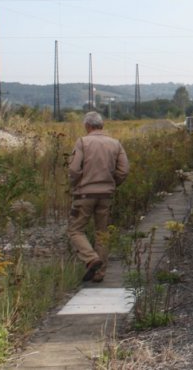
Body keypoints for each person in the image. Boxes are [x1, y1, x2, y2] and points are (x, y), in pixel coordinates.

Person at [67, 111, 130, 283]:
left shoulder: (82, 142)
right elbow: (124, 170)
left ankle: (90, 258)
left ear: (87, 126)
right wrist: (112, 184)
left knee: (75, 229)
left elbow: (73, 169)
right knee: (102, 233)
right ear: (102, 125)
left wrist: (76, 184)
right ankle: (99, 273)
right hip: (106, 195)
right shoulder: (115, 144)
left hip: (85, 194)